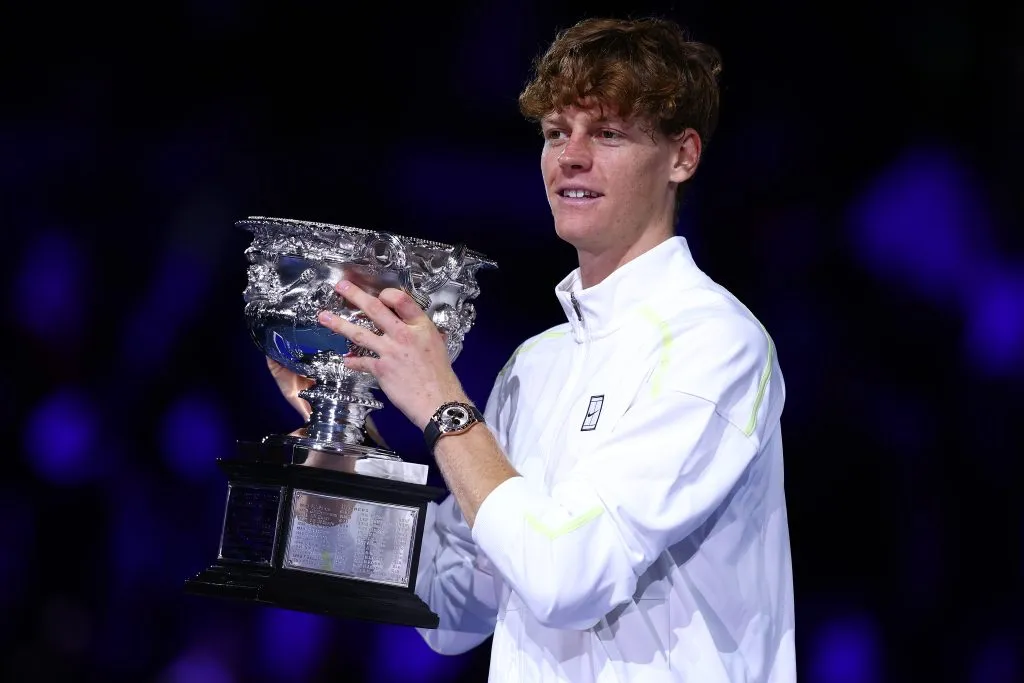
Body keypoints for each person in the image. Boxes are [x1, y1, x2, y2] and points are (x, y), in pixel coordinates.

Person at [274, 15, 795, 682]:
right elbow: (453, 605)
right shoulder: (535, 366)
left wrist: (441, 402)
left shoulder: (716, 343)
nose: (571, 156)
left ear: (682, 155)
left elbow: (568, 576)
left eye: (607, 132)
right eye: (556, 133)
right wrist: (344, 439)